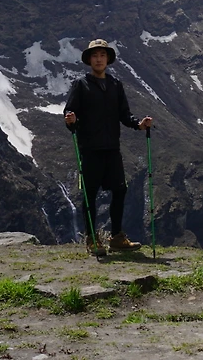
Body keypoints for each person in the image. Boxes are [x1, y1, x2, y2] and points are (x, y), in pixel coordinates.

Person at [64, 38, 153, 252]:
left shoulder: (115, 85)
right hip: (90, 149)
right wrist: (71, 120)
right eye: (95, 55)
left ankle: (116, 237)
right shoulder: (81, 85)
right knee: (90, 195)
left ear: (108, 59)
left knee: (120, 190)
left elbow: (124, 114)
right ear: (89, 60)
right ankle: (92, 239)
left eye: (102, 55)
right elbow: (70, 113)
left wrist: (138, 125)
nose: (99, 59)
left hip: (112, 148)